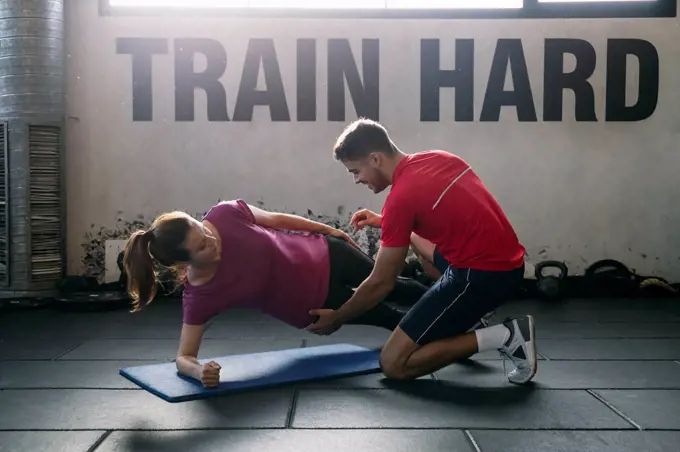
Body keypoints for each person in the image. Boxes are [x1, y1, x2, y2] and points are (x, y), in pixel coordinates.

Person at [306, 118, 537, 385]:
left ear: (376, 159)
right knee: (419, 244)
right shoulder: (439, 158)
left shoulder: (401, 199)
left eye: (356, 171)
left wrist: (338, 318)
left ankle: (507, 336)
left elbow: (382, 282)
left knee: (394, 364)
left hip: (480, 277)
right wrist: (386, 221)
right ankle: (468, 319)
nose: (357, 180)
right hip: (509, 264)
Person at [122, 199, 430, 388]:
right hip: (317, 305)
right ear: (181, 262)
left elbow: (276, 219)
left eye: (204, 232)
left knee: (402, 287)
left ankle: (465, 310)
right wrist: (200, 371)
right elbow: (183, 357)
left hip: (327, 254)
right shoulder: (201, 294)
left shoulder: (225, 214)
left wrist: (327, 230)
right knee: (390, 319)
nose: (211, 240)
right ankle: (454, 335)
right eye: (202, 246)